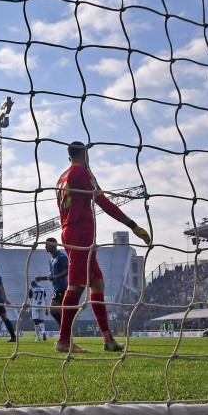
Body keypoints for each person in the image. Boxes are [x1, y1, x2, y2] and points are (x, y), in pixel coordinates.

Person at [55, 141, 151, 354]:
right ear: (85, 155)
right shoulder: (82, 173)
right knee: (77, 286)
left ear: (69, 156)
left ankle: (108, 339)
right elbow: (104, 203)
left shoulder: (61, 178)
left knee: (97, 284)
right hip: (80, 232)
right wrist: (132, 225)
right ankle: (62, 341)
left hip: (70, 231)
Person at [34, 237, 68, 326]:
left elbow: (67, 271)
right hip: (56, 288)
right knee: (59, 312)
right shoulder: (51, 260)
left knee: (53, 310)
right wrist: (42, 278)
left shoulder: (61, 257)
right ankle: (65, 333)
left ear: (54, 245)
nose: (45, 247)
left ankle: (65, 331)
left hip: (62, 287)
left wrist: (55, 277)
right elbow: (52, 276)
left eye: (47, 245)